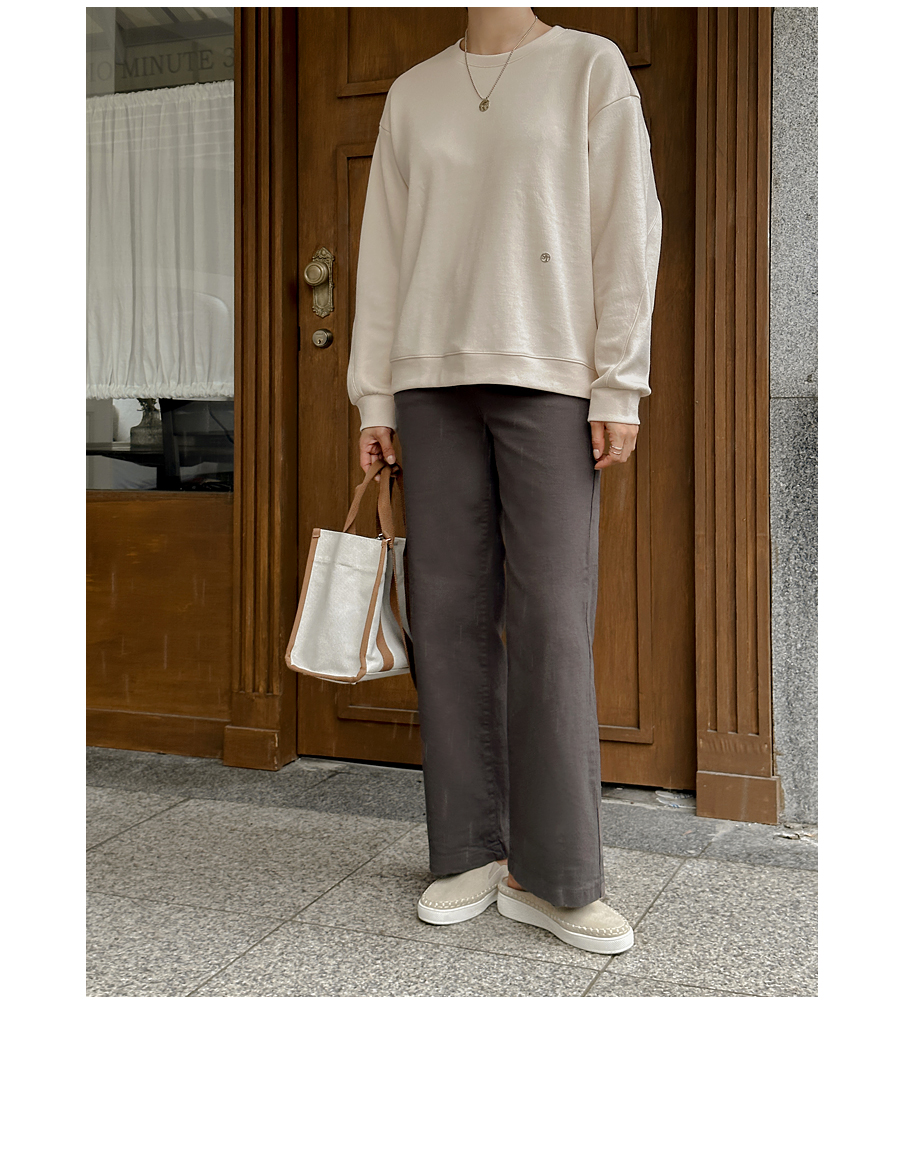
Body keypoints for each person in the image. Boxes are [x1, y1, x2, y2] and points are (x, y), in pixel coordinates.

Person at [347, 8, 662, 955]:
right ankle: (469, 851)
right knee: (444, 616)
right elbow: (383, 252)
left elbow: (626, 226)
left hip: (551, 375)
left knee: (553, 618)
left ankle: (554, 875)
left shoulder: (589, 67)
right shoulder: (413, 93)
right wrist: (374, 398)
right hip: (428, 380)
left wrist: (619, 381)